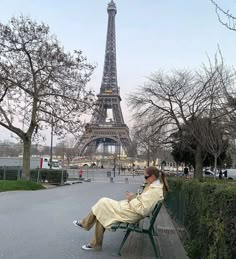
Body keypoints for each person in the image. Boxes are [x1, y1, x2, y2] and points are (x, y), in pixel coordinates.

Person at [72, 166, 168, 251]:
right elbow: (143, 203)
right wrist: (134, 197)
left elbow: (143, 210)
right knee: (101, 211)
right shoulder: (154, 187)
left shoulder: (154, 191)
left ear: (152, 177)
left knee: (103, 202)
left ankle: (85, 225)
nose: (144, 179)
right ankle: (94, 243)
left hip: (131, 214)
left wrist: (132, 199)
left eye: (146, 177)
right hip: (130, 210)